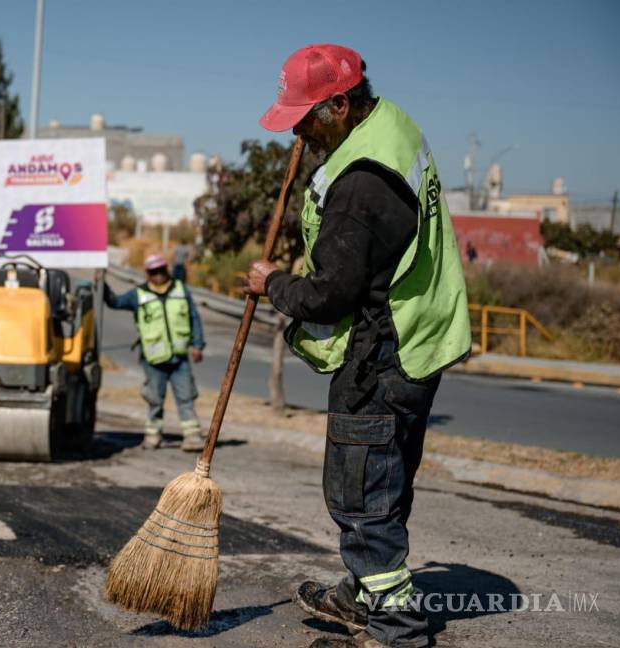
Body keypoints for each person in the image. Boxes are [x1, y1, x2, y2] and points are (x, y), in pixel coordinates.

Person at [246, 45, 471, 648]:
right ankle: (365, 590)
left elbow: (329, 294)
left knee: (360, 495)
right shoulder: (391, 126)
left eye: (305, 116)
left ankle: (394, 625)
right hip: (418, 342)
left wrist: (272, 283)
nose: (297, 128)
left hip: (380, 356)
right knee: (385, 481)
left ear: (340, 104)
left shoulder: (361, 186)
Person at [105, 253, 206, 451]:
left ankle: (192, 437)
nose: (158, 275)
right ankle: (153, 436)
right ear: (147, 274)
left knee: (186, 396)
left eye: (161, 270)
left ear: (166, 270)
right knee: (154, 399)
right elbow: (115, 302)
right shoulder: (138, 295)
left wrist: (198, 345)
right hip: (153, 360)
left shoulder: (180, 289)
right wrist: (103, 287)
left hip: (179, 358)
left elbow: (194, 318)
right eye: (154, 272)